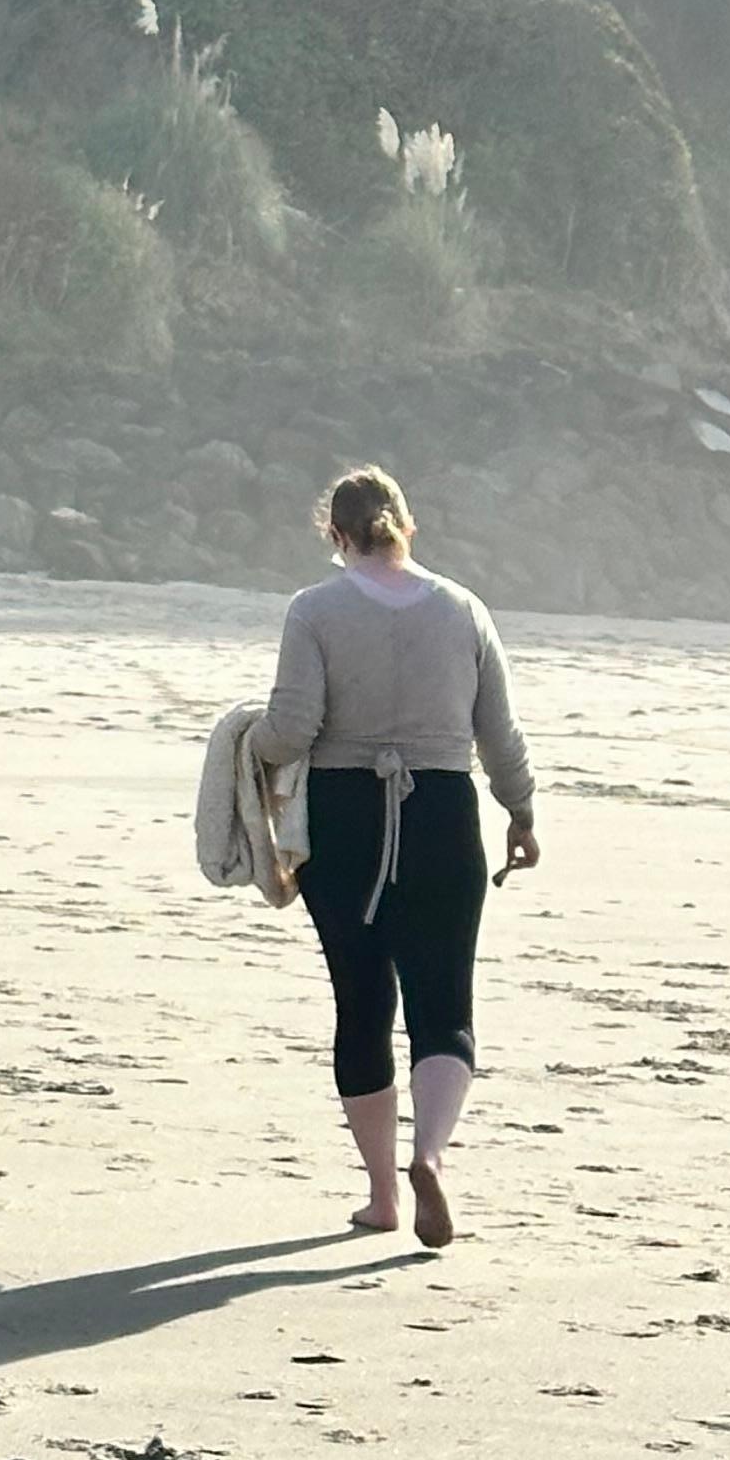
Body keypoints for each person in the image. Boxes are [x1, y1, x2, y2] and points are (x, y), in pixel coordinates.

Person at [258, 466, 537, 1251]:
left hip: (346, 822)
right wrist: (521, 812)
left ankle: (382, 1196)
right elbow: (500, 737)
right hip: (446, 815)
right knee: (444, 1006)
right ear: (406, 527)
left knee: (361, 1001)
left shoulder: (313, 610)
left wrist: (248, 740)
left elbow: (291, 729)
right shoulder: (463, 609)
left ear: (337, 536)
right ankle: (430, 1156)